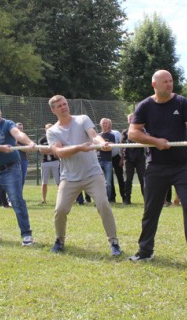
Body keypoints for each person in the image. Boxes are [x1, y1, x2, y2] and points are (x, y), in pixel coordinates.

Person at [127, 70, 187, 269]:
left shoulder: (181, 102)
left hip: (182, 165)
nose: (169, 84)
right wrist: (155, 142)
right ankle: (145, 252)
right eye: (165, 81)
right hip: (156, 165)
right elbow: (132, 133)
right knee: (151, 210)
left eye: (171, 81)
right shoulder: (145, 106)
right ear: (154, 84)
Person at [46, 95, 122, 256]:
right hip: (69, 177)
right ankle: (59, 240)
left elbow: (94, 135)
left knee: (103, 204)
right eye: (59, 106)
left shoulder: (82, 119)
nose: (64, 107)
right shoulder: (52, 131)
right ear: (53, 110)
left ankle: (114, 242)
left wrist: (102, 143)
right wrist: (80, 147)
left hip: (92, 174)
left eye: (65, 104)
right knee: (60, 210)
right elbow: (59, 152)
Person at [0, 102, 36, 245]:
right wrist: (1, 148)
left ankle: (26, 235)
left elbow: (18, 134)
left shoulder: (8, 124)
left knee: (16, 200)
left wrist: (29, 142)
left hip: (12, 168)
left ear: (0, 111)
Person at [39, 123, 61, 204]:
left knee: (58, 182)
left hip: (55, 162)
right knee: (44, 183)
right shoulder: (42, 140)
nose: (49, 130)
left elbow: (57, 150)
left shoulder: (56, 139)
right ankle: (43, 200)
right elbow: (41, 150)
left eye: (50, 128)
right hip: (45, 163)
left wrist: (48, 151)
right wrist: (51, 150)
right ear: (45, 129)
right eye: (47, 128)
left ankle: (60, 199)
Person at [97, 118, 117, 200]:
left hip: (108, 161)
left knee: (108, 183)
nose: (105, 124)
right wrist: (104, 146)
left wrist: (101, 147)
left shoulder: (111, 135)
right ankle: (99, 199)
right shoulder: (98, 136)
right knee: (98, 182)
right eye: (103, 123)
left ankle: (107, 200)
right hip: (98, 160)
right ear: (100, 124)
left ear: (109, 125)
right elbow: (96, 148)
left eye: (106, 123)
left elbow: (110, 148)